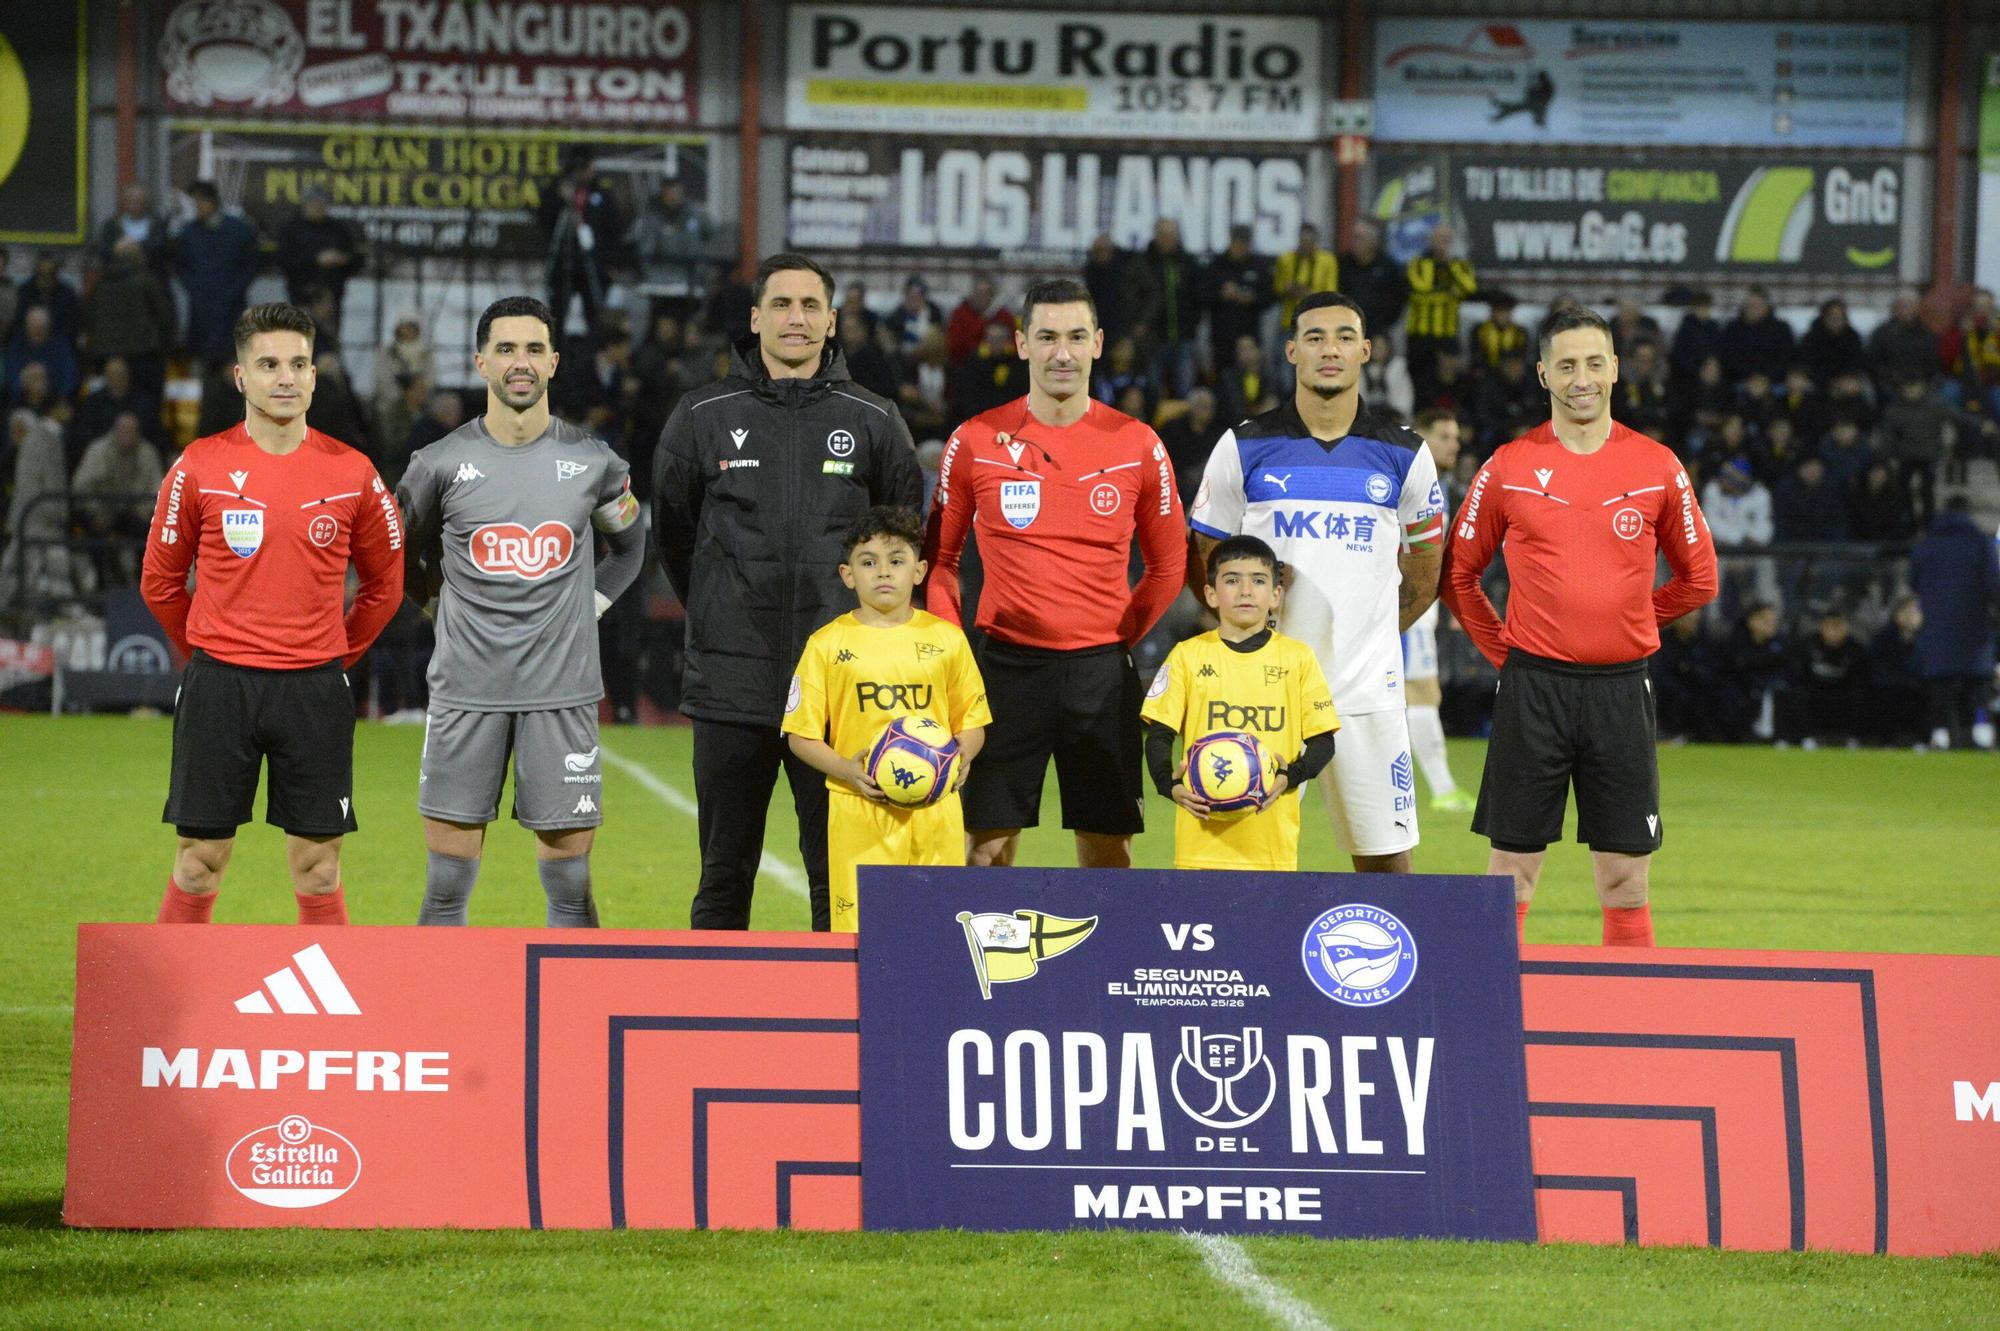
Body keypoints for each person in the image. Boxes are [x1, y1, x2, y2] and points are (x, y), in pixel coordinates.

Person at [654, 252, 924, 931]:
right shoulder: (701, 415)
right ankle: (715, 1035)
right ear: (755, 318)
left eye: (810, 306)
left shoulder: (875, 418)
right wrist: (720, 611)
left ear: (832, 321)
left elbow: (901, 537)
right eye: (781, 304)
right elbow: (675, 537)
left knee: (838, 881)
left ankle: (837, 1035)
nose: (796, 319)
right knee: (722, 877)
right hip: (729, 681)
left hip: (837, 690)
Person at [1441, 305, 1718, 946]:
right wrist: (1504, 652)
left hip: (1622, 689)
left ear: (1616, 369)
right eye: (1566, 365)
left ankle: (1633, 1025)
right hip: (1533, 688)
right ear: (1543, 374)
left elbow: (1700, 578)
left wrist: (1627, 620)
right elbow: (1458, 574)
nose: (1581, 378)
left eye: (1594, 363)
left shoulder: (1657, 465)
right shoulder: (1508, 466)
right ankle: (1491, 1026)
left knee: (1625, 881)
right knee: (1511, 874)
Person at [139, 302, 404, 926]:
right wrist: (210, 648)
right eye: (269, 364)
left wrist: (334, 654)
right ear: (241, 377)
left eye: (298, 364)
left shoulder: (353, 473)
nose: (285, 377)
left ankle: (326, 1021)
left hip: (315, 688)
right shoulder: (197, 465)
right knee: (200, 857)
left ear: (314, 376)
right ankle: (172, 1011)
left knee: (319, 864)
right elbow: (159, 581)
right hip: (219, 687)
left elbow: (385, 587)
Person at [394, 296, 644, 928]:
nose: (521, 362)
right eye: (506, 349)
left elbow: (631, 544)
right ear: (481, 361)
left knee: (570, 886)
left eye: (534, 349)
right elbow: (397, 554)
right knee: (445, 885)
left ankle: (576, 1023)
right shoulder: (438, 464)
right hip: (466, 692)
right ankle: (437, 1024)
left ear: (555, 362)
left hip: (562, 696)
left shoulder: (594, 463)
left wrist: (589, 605)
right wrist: (439, 607)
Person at [924, 277, 1185, 871]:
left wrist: (1117, 635)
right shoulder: (974, 440)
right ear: (1021, 344)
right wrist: (952, 653)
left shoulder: (1138, 444)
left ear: (1097, 343)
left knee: (1108, 847)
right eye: (1046, 337)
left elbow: (1169, 567)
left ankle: (1102, 967)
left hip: (1101, 674)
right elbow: (939, 563)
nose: (1061, 353)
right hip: (1005, 667)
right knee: (986, 847)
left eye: (1074, 337)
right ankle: (978, 962)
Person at [1188, 292, 1445, 873]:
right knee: (1245, 861)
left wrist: (1368, 633)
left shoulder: (1405, 454)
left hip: (1366, 690)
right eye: (1315, 337)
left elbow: (1424, 576)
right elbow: (1205, 558)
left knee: (1386, 861)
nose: (1330, 349)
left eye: (1344, 337)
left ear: (1366, 352)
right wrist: (1247, 645)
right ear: (1292, 352)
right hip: (1261, 694)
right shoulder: (1244, 445)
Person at [783, 506, 989, 931]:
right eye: (868, 562)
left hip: (936, 813)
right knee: (865, 935)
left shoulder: (946, 640)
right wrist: (846, 769)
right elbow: (800, 735)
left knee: (939, 932)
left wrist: (961, 757)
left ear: (919, 571)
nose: (883, 573)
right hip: (859, 811)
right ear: (847, 575)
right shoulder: (826, 644)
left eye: (896, 561)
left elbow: (972, 720)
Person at [1141, 534, 1338, 870]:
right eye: (1232, 580)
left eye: (1258, 581)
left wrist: (1291, 777)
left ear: (1276, 595)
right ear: (1211, 594)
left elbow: (1323, 741)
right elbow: (1159, 732)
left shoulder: (1298, 658)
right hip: (1200, 845)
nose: (1246, 591)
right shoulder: (1188, 655)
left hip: (1271, 846)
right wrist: (1167, 784)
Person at [1402, 409, 1473, 813]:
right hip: (1407, 607)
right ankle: (1443, 789)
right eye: (1445, 435)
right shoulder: (1414, 480)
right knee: (1422, 692)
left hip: (1418, 606)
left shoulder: (1437, 484)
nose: (1454, 444)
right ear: (1422, 436)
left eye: (1456, 436)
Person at [1907, 493, 2000, 749]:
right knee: (1977, 682)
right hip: (1975, 624)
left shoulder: (1927, 545)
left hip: (1937, 627)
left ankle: (1941, 735)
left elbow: (1912, 581)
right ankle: (1981, 732)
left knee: (1941, 685)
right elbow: (1994, 584)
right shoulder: (1981, 543)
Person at [173, 182, 262, 372]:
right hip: (201, 309)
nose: (197, 207)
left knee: (233, 362)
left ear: (211, 202)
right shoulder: (189, 233)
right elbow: (180, 266)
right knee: (204, 363)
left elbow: (251, 265)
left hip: (231, 307)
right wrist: (194, 287)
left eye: (199, 201)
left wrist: (235, 289)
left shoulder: (239, 230)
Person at [1403, 223, 1476, 407]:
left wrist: (1449, 268)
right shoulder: (1417, 263)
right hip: (1420, 334)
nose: (1442, 243)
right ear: (1431, 240)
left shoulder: (1459, 265)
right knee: (1418, 382)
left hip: (1447, 333)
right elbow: (1420, 289)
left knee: (1448, 382)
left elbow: (1469, 287)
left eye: (1446, 239)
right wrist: (1450, 292)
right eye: (1439, 238)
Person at [276, 187, 362, 313]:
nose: (318, 208)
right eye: (314, 204)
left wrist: (342, 260)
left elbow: (354, 259)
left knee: (326, 331)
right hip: (301, 294)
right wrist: (316, 260)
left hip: (331, 296)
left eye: (322, 204)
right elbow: (284, 263)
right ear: (305, 205)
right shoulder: (291, 230)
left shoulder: (338, 229)